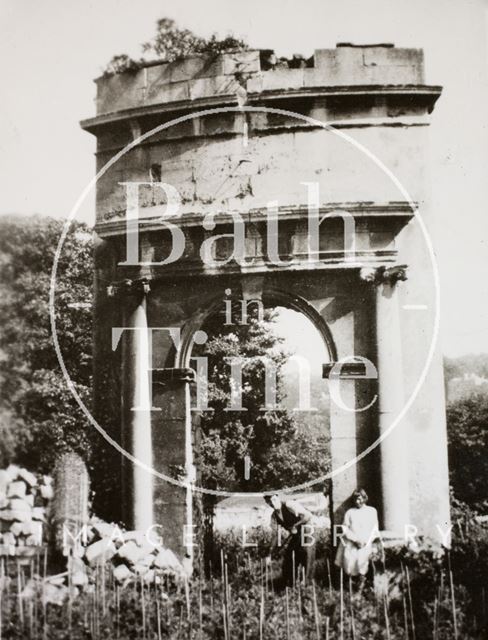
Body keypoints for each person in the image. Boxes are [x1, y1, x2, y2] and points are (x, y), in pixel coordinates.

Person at [264, 493, 316, 586]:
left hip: (307, 530)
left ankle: (307, 584)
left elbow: (308, 516)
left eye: (274, 499)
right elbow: (275, 534)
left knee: (307, 553)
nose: (272, 503)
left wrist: (295, 526)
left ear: (278, 497)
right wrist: (270, 554)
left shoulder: (289, 504)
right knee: (289, 556)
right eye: (269, 501)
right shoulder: (274, 516)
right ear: (267, 503)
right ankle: (290, 584)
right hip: (295, 534)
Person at [334, 488, 379, 584]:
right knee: (350, 561)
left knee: (363, 562)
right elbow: (345, 528)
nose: (357, 502)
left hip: (366, 542)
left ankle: (362, 585)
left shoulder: (371, 511)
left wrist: (366, 541)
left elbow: (375, 528)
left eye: (359, 499)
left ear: (364, 498)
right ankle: (350, 585)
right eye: (355, 499)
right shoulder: (350, 512)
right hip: (352, 542)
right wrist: (355, 540)